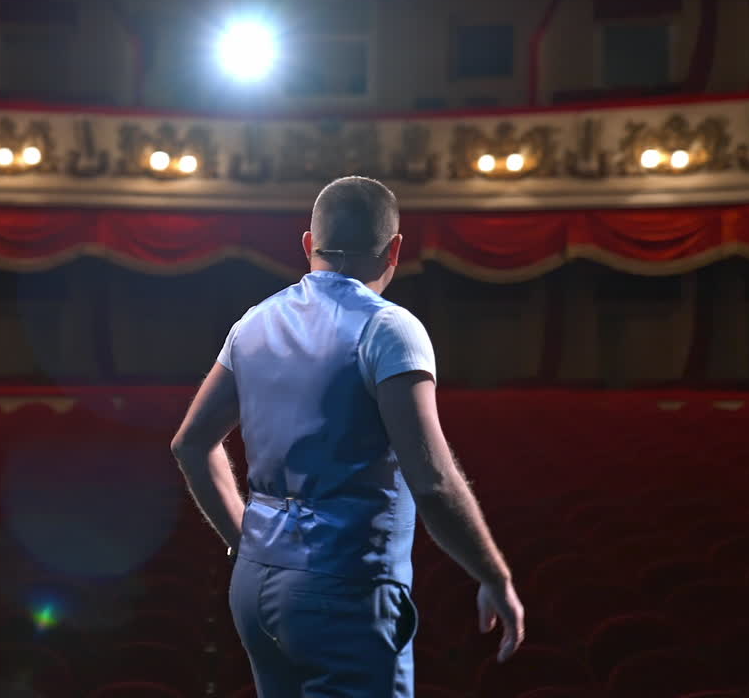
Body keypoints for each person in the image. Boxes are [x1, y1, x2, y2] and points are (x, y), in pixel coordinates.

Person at [170, 176, 525, 696]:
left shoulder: (253, 323)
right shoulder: (388, 328)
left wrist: (245, 541)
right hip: (346, 588)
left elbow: (190, 444)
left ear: (308, 244)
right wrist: (496, 575)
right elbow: (432, 482)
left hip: (255, 585)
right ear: (395, 250)